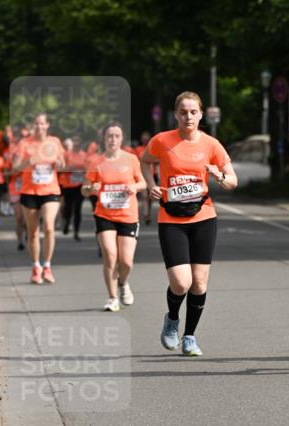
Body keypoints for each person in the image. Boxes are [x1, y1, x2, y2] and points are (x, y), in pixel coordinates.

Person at [140, 91, 238, 356]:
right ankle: (172, 319)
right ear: (176, 115)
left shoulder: (211, 144)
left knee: (199, 283)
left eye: (193, 112)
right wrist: (151, 186)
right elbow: (145, 162)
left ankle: (190, 337)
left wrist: (219, 176)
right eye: (183, 112)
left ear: (201, 114)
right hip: (171, 219)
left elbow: (232, 181)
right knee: (181, 283)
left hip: (203, 217)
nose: (188, 116)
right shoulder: (162, 141)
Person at [81, 123, 146, 311]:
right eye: (109, 136)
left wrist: (134, 187)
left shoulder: (131, 159)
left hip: (128, 215)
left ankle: (123, 283)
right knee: (110, 255)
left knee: (126, 261)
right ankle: (111, 298)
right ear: (104, 138)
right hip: (105, 214)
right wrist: (89, 188)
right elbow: (84, 189)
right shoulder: (96, 162)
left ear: (122, 138)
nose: (113, 140)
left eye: (117, 136)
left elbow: (143, 183)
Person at [10, 112, 65, 283]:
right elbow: (14, 169)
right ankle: (36, 267)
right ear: (33, 126)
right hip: (30, 191)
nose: (39, 127)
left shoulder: (54, 142)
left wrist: (58, 163)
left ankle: (47, 266)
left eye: (42, 124)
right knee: (33, 232)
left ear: (48, 125)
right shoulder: (25, 144)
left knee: (49, 226)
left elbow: (62, 165)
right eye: (36, 124)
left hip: (50, 190)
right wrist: (29, 162)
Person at [59, 134, 88, 240]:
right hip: (68, 185)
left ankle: (76, 232)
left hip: (80, 185)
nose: (76, 143)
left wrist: (84, 169)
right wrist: (69, 168)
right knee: (68, 207)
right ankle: (66, 222)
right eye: (74, 141)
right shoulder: (66, 154)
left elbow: (89, 170)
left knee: (78, 208)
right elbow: (59, 169)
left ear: (81, 143)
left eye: (78, 141)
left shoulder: (84, 155)